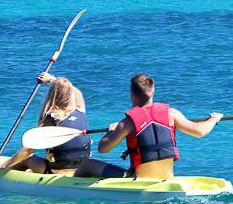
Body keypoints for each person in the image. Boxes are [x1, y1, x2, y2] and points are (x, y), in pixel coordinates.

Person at [74, 73, 222, 179]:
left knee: (86, 164)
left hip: (137, 179)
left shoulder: (128, 122)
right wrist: (213, 119)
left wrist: (111, 131)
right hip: (167, 177)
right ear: (152, 91)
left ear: (132, 95)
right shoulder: (172, 114)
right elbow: (200, 131)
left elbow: (102, 149)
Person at [0, 72, 91, 174]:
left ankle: (1, 172)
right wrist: (51, 79)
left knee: (28, 159)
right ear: (71, 94)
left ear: (51, 95)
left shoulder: (50, 119)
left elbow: (28, 150)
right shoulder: (81, 110)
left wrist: (2, 165)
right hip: (81, 169)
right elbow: (77, 92)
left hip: (56, 171)